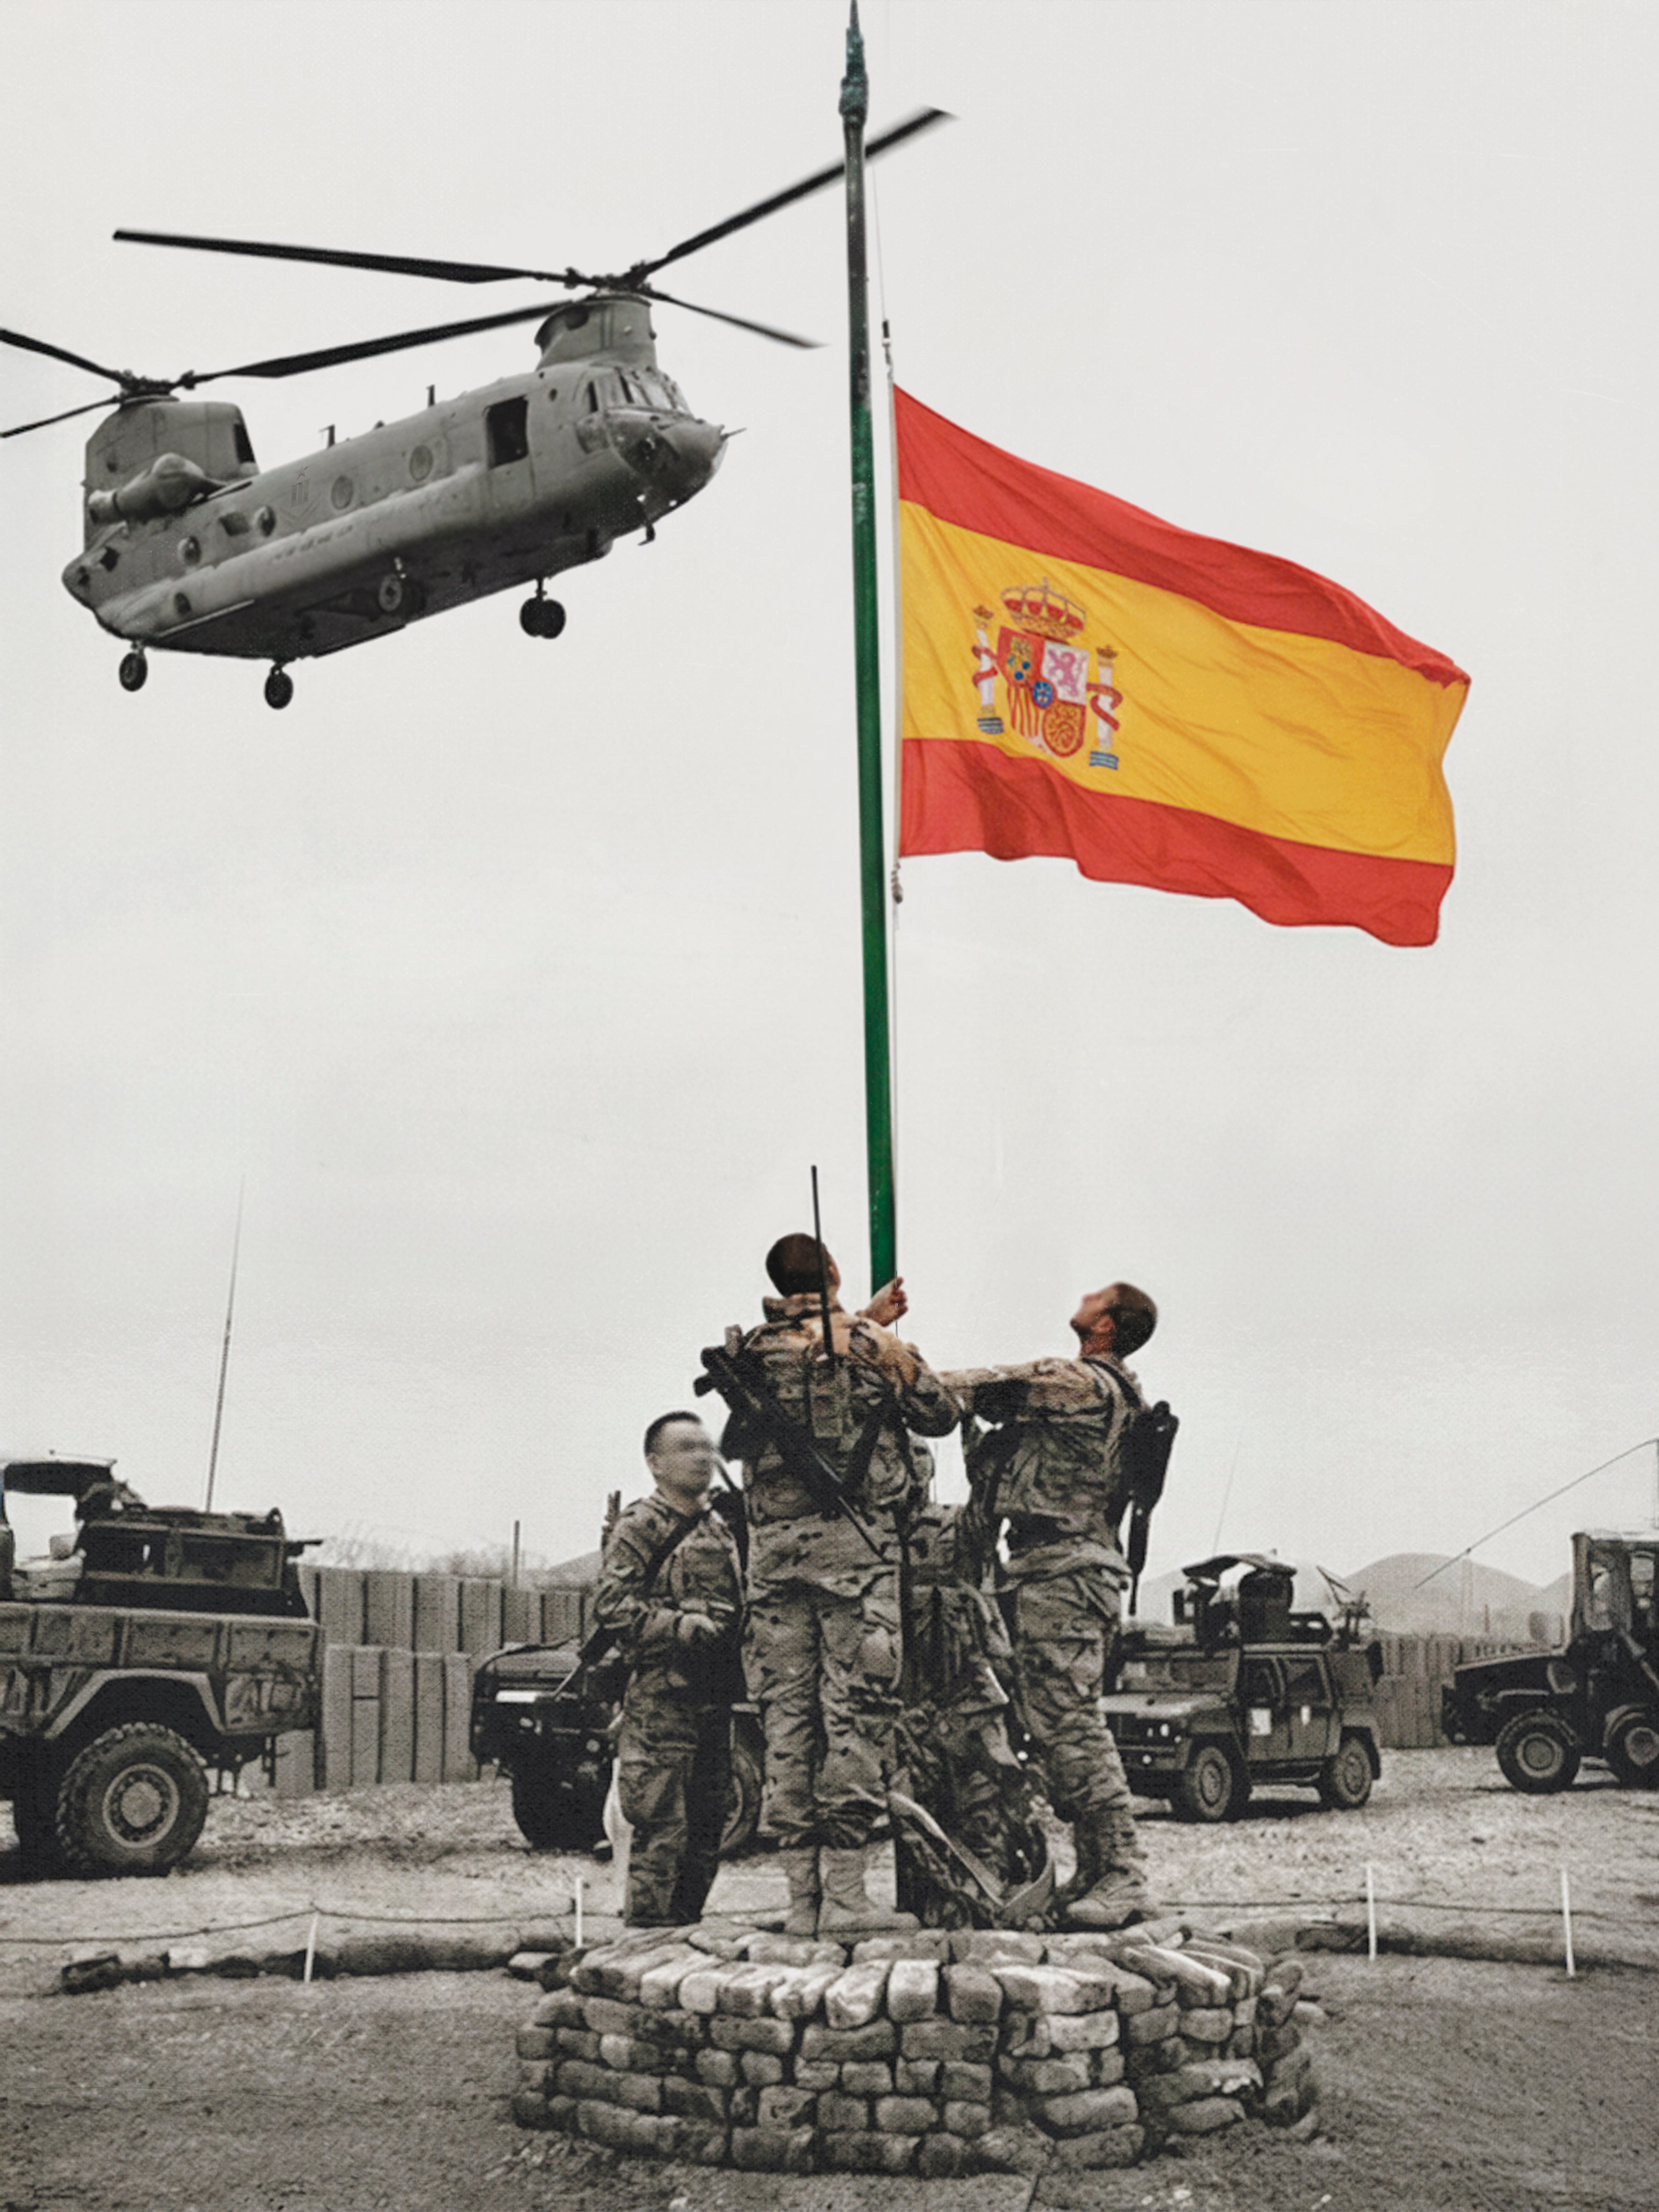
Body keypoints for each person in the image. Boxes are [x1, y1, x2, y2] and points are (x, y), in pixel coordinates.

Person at [718, 1233, 959, 1936]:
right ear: (833, 1273)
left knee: (787, 1725)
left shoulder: (748, 1353)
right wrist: (873, 1333)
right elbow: (940, 1414)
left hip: (773, 1566)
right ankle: (849, 1902)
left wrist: (862, 1322)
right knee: (853, 1720)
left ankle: (801, 1906)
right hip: (855, 1562)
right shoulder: (868, 1346)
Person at [941, 1281, 1162, 1930]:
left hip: (1065, 1566)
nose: (1082, 1295)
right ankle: (1094, 1870)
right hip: (1049, 1565)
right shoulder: (1097, 1391)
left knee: (1068, 1724)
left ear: (1107, 1325)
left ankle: (1122, 1872)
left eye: (1095, 1296)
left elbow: (984, 1385)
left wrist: (909, 1376)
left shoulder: (1080, 1383)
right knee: (1054, 1723)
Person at [591, 1410, 744, 1927]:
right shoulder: (642, 1524)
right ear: (655, 1462)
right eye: (687, 1447)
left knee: (709, 1826)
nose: (703, 1456)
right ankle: (646, 1938)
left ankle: (684, 1935)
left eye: (707, 1446)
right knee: (662, 1826)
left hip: (714, 1694)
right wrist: (681, 1626)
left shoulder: (723, 1526)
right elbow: (612, 1607)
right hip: (662, 1697)